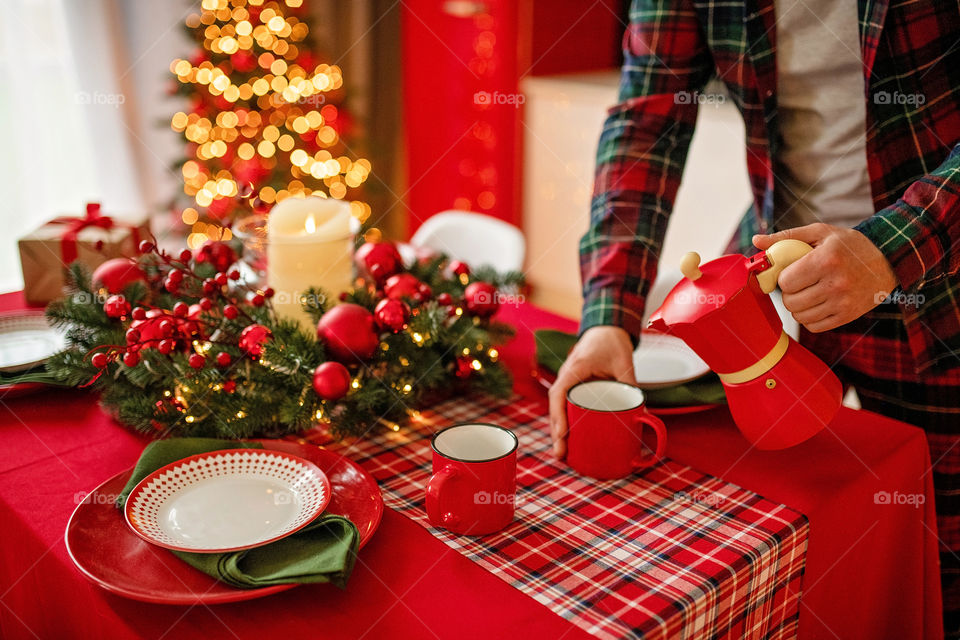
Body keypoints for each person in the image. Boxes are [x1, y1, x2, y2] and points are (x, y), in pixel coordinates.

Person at [547, 0, 960, 636]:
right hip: (772, 291)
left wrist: (892, 247)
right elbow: (645, 123)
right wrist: (608, 316)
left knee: (937, 565)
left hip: (941, 292)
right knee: (779, 538)